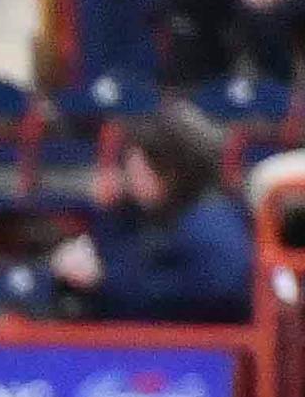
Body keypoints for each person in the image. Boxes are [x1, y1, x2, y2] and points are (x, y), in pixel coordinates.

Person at [55, 98, 256, 316]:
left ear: (172, 171)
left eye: (139, 173)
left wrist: (105, 281)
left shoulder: (210, 222)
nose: (130, 181)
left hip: (199, 345)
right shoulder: (140, 213)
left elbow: (216, 292)